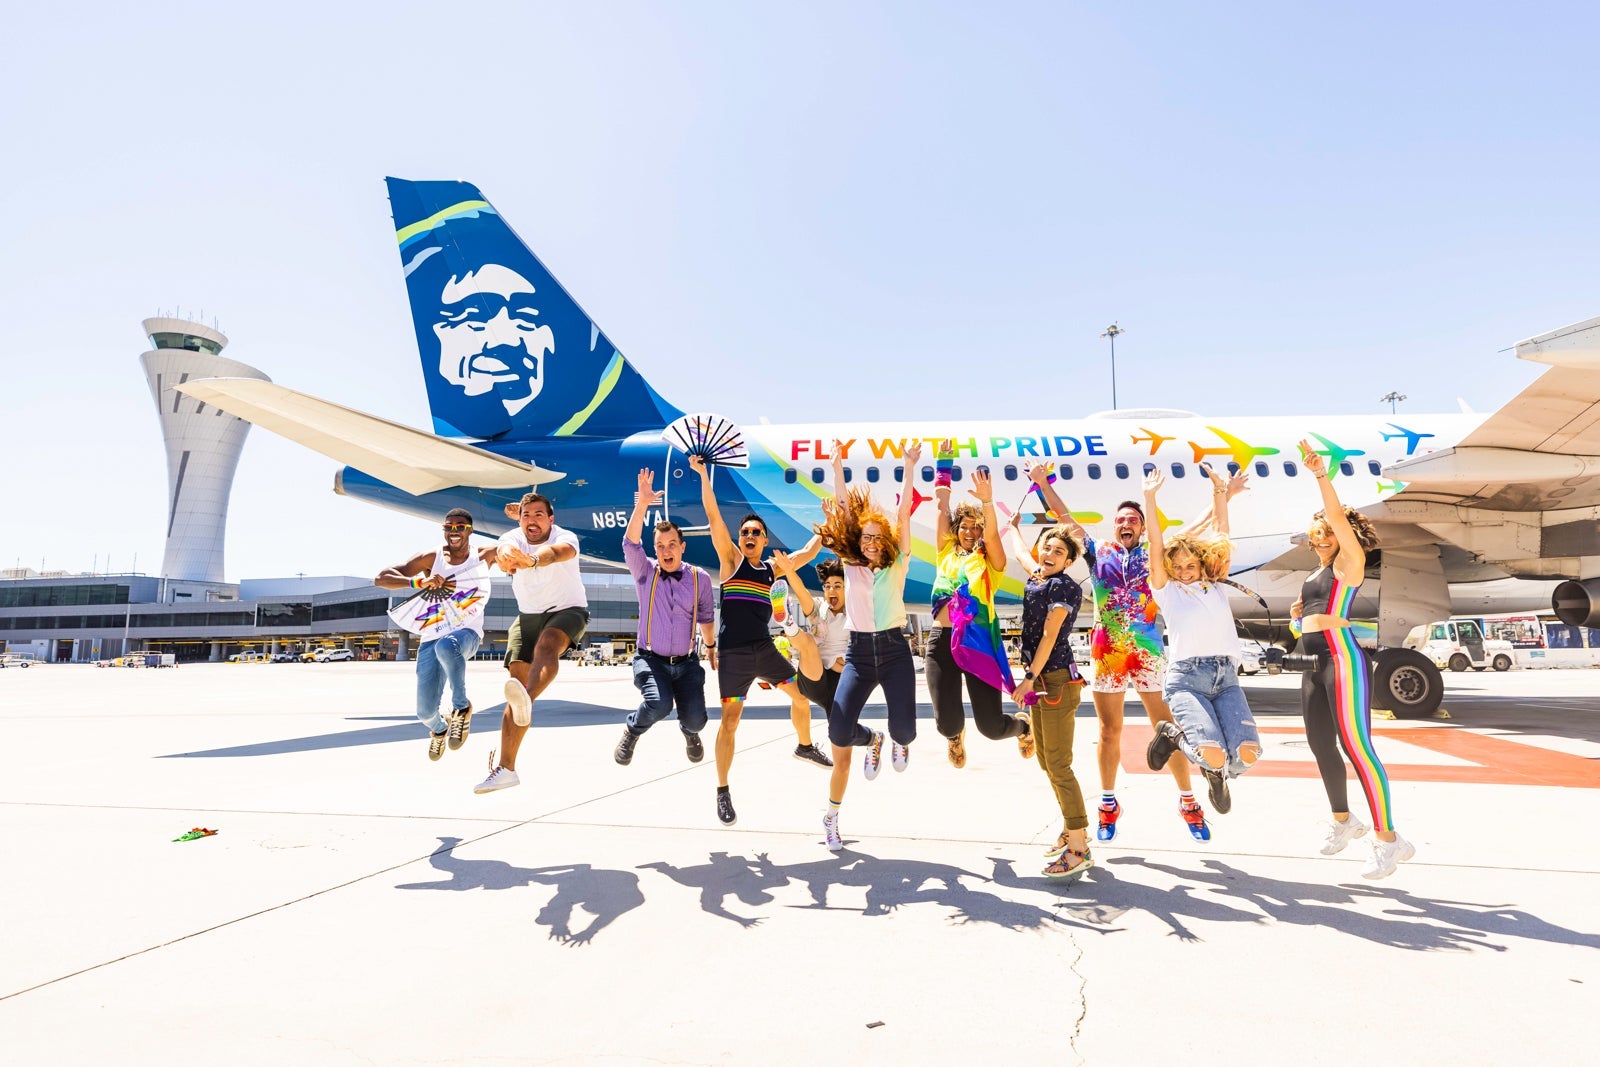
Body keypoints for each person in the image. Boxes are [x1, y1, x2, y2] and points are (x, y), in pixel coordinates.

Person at [1023, 464, 1213, 842]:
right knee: (1109, 731)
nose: (1126, 524)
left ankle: (1188, 799)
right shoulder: (1099, 552)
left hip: (1146, 651)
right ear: (1115, 527)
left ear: (1143, 527)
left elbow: (1197, 529)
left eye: (1133, 520)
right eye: (1121, 519)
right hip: (1108, 650)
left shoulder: (1156, 553)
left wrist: (1221, 496)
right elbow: (1065, 518)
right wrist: (1042, 483)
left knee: (1168, 730)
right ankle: (1108, 803)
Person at [1291, 440, 1414, 879]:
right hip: (1312, 664)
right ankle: (1345, 821)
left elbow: (1340, 523)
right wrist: (1302, 620)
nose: (1318, 538)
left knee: (1358, 749)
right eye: (1314, 533)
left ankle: (1389, 839)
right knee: (1321, 745)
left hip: (1343, 663)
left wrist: (1321, 476)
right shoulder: (1313, 574)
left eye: (1325, 532)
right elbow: (1312, 621)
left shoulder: (1351, 564)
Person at [692, 455, 832, 829]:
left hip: (764, 650)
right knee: (731, 722)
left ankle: (803, 746)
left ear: (765, 540)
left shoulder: (773, 570)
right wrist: (704, 474)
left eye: (756, 533)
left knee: (802, 697)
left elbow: (808, 553)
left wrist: (828, 522)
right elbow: (714, 515)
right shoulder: (730, 561)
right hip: (735, 656)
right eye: (746, 533)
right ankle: (722, 790)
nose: (749, 537)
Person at [796, 441, 921, 851]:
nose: (868, 542)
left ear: (884, 539)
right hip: (858, 655)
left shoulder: (898, 559)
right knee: (837, 729)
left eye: (874, 537)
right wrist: (837, 468)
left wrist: (908, 464)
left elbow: (902, 513)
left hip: (894, 651)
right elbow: (846, 514)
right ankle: (867, 754)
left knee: (907, 729)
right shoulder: (850, 563)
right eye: (863, 537)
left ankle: (896, 738)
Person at [1141, 465, 1262, 817]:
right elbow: (1156, 542)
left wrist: (1219, 493)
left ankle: (1217, 771)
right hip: (1186, 680)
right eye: (1176, 566)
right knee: (1213, 751)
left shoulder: (1215, 584)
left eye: (1189, 565)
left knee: (1246, 756)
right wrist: (1150, 498)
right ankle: (1174, 737)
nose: (1183, 571)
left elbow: (1222, 534)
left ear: (1200, 563)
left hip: (1226, 679)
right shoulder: (1167, 591)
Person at [473, 492, 590, 794]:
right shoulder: (512, 536)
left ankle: (528, 698)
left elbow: (559, 553)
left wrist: (532, 560)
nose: (532, 520)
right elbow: (507, 549)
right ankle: (507, 769)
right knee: (516, 685)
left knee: (547, 646)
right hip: (528, 615)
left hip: (568, 609)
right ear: (520, 519)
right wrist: (510, 557)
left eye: (539, 514)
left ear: (551, 518)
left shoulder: (566, 536)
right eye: (526, 515)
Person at [928, 440, 1033, 768]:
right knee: (946, 723)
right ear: (956, 531)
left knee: (990, 727)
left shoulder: (991, 563)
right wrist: (944, 465)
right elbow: (942, 507)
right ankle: (955, 737)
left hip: (977, 641)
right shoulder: (945, 551)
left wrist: (987, 503)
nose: (971, 531)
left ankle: (1022, 727)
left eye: (977, 527)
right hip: (941, 641)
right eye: (965, 526)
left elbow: (991, 539)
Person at [1003, 518, 1091, 880]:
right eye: (1047, 548)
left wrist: (1027, 677)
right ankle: (1072, 831)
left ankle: (1079, 847)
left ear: (1069, 561)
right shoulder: (1039, 576)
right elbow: (1021, 553)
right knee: (1046, 763)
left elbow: (1051, 636)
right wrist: (1012, 526)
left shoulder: (1063, 587)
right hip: (1043, 682)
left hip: (1054, 680)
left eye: (1060, 551)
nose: (1050, 553)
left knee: (1059, 765)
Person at [374, 508, 497, 761]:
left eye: (459, 527)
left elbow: (517, 546)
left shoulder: (484, 555)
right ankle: (440, 730)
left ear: (469, 530)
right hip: (432, 636)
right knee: (424, 712)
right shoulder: (431, 558)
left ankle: (462, 708)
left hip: (466, 633)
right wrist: (417, 583)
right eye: (448, 527)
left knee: (447, 646)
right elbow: (381, 578)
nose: (454, 531)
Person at [614, 469, 717, 767]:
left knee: (698, 720)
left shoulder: (699, 578)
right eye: (660, 546)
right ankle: (632, 730)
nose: (665, 550)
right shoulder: (645, 572)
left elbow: (707, 618)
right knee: (658, 704)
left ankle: (689, 732)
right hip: (651, 660)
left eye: (671, 544)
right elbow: (630, 544)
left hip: (686, 664)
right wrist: (643, 503)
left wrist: (710, 647)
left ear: (682, 547)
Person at [769, 551, 850, 718]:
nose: (831, 590)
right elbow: (801, 591)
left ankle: (871, 737)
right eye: (827, 586)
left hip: (841, 682)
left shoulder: (855, 615)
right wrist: (789, 570)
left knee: (841, 735)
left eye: (837, 586)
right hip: (814, 677)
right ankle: (788, 623)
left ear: (846, 588)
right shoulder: (820, 609)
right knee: (808, 642)